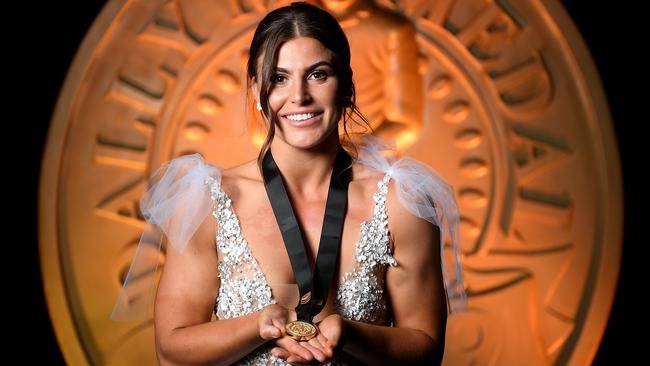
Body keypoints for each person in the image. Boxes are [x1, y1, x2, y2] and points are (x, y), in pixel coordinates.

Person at [110, 2, 467, 365]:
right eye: (279, 78)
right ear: (255, 90)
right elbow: (170, 354)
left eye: (318, 74)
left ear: (345, 85)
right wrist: (258, 326)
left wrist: (350, 333)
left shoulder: (400, 202)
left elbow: (426, 351)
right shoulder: (208, 201)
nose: (299, 96)